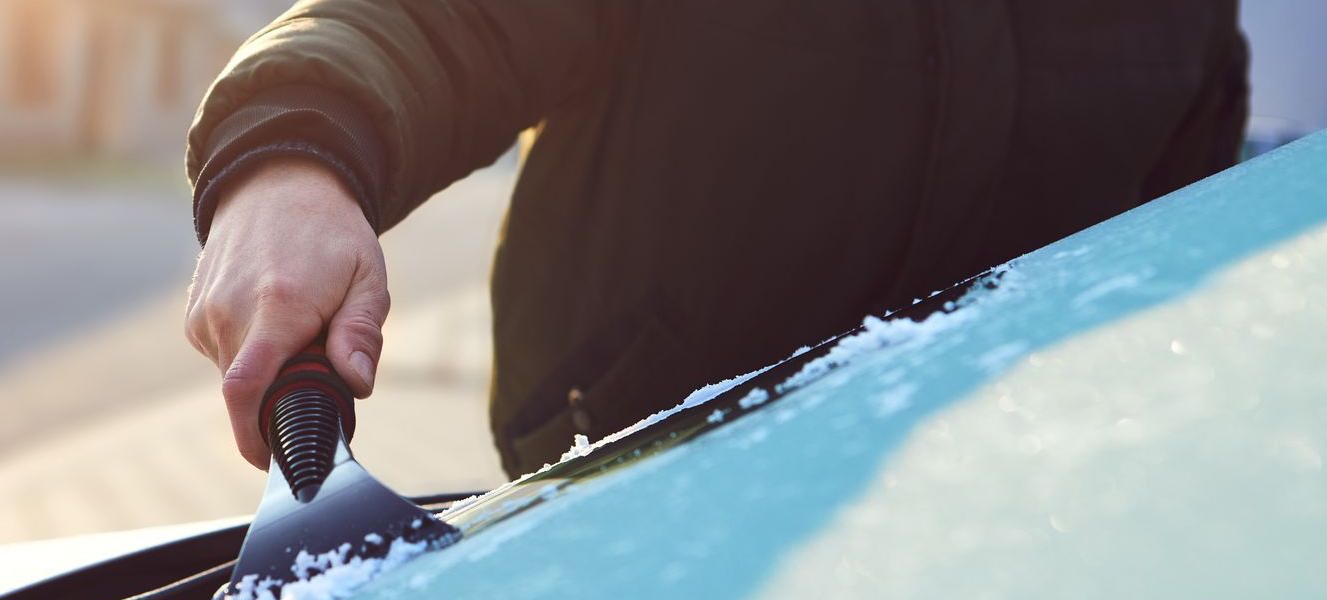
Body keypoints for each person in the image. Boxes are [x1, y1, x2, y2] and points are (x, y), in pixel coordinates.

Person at [183, 1, 1248, 476]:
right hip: (633, 487)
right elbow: (444, 17)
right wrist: (291, 154)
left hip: (1003, 514)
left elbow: (1180, 264)